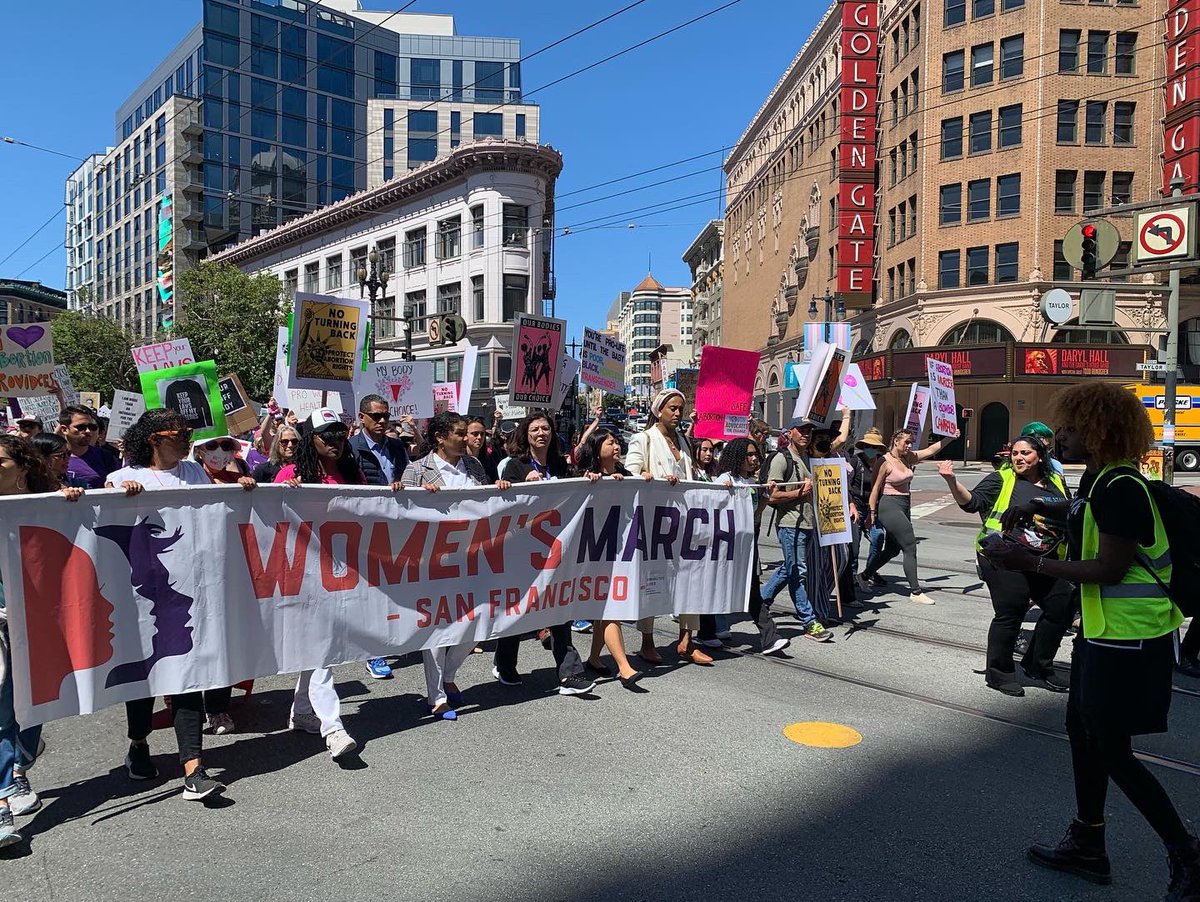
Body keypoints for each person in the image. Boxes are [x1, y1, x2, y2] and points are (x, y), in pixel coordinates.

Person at [984, 382, 1200, 899]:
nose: (1061, 436)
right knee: (1082, 735)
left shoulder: (1121, 485)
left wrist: (1027, 561)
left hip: (1130, 639)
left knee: (1111, 747)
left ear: (1099, 432)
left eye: (1071, 428)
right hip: (1102, 636)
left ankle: (1186, 854)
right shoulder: (1098, 482)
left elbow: (1109, 566)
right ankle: (1088, 842)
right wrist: (1036, 508)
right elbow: (1083, 516)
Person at [105, 408, 253, 801]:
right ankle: (138, 744)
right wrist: (115, 500)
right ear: (154, 438)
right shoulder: (121, 478)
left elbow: (211, 514)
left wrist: (242, 489)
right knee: (147, 678)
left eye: (189, 430)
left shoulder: (193, 472)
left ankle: (193, 768)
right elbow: (98, 527)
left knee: (186, 671)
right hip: (142, 595)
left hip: (188, 591)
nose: (188, 437)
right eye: (180, 432)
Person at [939, 436, 1074, 696]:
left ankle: (1038, 665)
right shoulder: (1003, 478)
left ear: (1040, 456)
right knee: (1012, 609)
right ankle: (999, 673)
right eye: (1014, 454)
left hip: (1044, 557)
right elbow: (972, 503)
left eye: (1025, 453)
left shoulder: (1056, 480)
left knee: (1062, 606)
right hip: (1002, 555)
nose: (1019, 458)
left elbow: (1067, 512)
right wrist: (951, 480)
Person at [0, 435, 82, 846]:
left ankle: (20, 762)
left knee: (32, 702)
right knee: (0, 712)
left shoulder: (46, 503)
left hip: (35, 622)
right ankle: (1, 800)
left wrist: (71, 505)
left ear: (22, 466)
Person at [401, 412, 512, 716]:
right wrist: (420, 498)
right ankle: (436, 696)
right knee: (436, 629)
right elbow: (399, 514)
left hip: (472, 558)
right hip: (433, 561)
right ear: (440, 437)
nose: (467, 438)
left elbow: (485, 507)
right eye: (460, 433)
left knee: (480, 621)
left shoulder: (474, 466)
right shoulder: (416, 470)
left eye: (467, 433)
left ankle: (449, 676)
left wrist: (498, 490)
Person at [275, 409, 371, 760]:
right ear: (310, 440)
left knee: (316, 648)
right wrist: (282, 493)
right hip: (303, 575)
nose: (334, 442)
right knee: (322, 650)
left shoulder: (352, 473)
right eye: (325, 436)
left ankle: (302, 712)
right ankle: (333, 728)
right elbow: (268, 522)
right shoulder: (291, 474)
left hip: (341, 572)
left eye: (340, 435)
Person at [495, 413, 596, 694]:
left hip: (555, 551)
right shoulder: (515, 466)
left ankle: (569, 674)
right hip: (523, 551)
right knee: (519, 609)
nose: (541, 433)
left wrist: (588, 479)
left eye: (546, 429)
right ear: (525, 434)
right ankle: (504, 664)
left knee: (558, 607)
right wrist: (517, 485)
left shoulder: (559, 465)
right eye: (535, 429)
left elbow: (575, 493)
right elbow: (505, 505)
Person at [625, 388, 714, 664]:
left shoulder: (684, 442)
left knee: (691, 577)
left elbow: (693, 475)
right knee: (652, 580)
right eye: (671, 409)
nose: (677, 414)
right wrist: (646, 476)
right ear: (658, 411)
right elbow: (629, 471)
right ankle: (647, 640)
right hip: (655, 522)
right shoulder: (644, 439)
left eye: (679, 409)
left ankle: (686, 639)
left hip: (685, 522)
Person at [575, 429, 647, 687]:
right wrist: (592, 483)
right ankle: (625, 668)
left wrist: (646, 480)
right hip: (593, 553)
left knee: (603, 606)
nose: (616, 447)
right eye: (610, 442)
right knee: (608, 606)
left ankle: (595, 657)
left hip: (619, 552)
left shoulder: (626, 476)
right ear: (597, 448)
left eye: (617, 442)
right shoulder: (586, 476)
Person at [348, 394, 410, 681]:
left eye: (386, 415)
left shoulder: (398, 447)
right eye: (376, 416)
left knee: (394, 588)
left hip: (396, 526)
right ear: (362, 418)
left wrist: (405, 485)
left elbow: (409, 478)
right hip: (365, 528)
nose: (383, 421)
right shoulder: (351, 449)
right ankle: (374, 653)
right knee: (371, 591)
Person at [859, 427, 958, 604]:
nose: (909, 445)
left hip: (905, 504)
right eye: (906, 442)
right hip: (889, 505)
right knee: (910, 545)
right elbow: (875, 490)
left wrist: (949, 438)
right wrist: (871, 513)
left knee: (892, 549)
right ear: (896, 442)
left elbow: (930, 450)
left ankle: (864, 576)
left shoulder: (907, 458)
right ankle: (915, 591)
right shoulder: (884, 461)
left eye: (911, 442)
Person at [760, 418, 834, 642]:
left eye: (809, 431)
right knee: (798, 573)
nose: (805, 435)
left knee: (790, 567)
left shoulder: (805, 459)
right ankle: (810, 622)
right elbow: (771, 495)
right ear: (789, 433)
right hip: (791, 524)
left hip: (807, 524)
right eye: (801, 430)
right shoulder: (782, 459)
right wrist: (801, 492)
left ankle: (761, 601)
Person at [715, 437, 789, 656]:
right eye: (749, 454)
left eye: (755, 454)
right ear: (737, 456)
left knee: (752, 588)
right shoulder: (724, 479)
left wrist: (765, 498)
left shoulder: (752, 482)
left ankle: (769, 637)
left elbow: (753, 516)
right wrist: (723, 492)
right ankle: (709, 630)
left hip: (747, 542)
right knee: (718, 585)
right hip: (727, 543)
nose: (754, 458)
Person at [849, 428, 887, 585]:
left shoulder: (883, 462)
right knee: (854, 544)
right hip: (857, 507)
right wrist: (851, 504)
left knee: (878, 537)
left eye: (874, 447)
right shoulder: (855, 461)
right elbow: (847, 485)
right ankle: (851, 575)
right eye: (867, 446)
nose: (871, 450)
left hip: (874, 509)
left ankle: (870, 571)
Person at [57, 404, 118, 489]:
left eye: (92, 427)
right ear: (64, 429)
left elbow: (118, 483)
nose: (88, 431)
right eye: (81, 427)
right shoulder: (51, 458)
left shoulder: (105, 457)